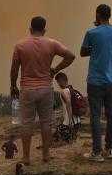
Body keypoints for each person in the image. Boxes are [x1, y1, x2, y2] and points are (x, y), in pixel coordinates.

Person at [10, 16, 75, 164]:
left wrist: (13, 85)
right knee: (46, 123)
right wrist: (55, 70)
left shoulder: (20, 45)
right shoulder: (52, 44)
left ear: (30, 29)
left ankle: (26, 157)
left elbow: (14, 69)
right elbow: (71, 56)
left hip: (27, 89)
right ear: (44, 30)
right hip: (46, 88)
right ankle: (46, 155)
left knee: (26, 123)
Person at [80, 4, 112, 162]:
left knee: (96, 116)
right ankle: (111, 149)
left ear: (98, 15)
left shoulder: (91, 32)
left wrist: (96, 48)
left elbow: (82, 52)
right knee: (111, 114)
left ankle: (97, 153)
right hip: (111, 79)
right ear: (110, 15)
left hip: (95, 80)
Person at [54, 72, 81, 143]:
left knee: (55, 138)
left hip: (69, 124)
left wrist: (69, 120)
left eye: (58, 82)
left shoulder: (64, 91)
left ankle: (69, 138)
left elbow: (68, 103)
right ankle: (72, 137)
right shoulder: (72, 90)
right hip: (77, 123)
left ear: (62, 81)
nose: (58, 84)